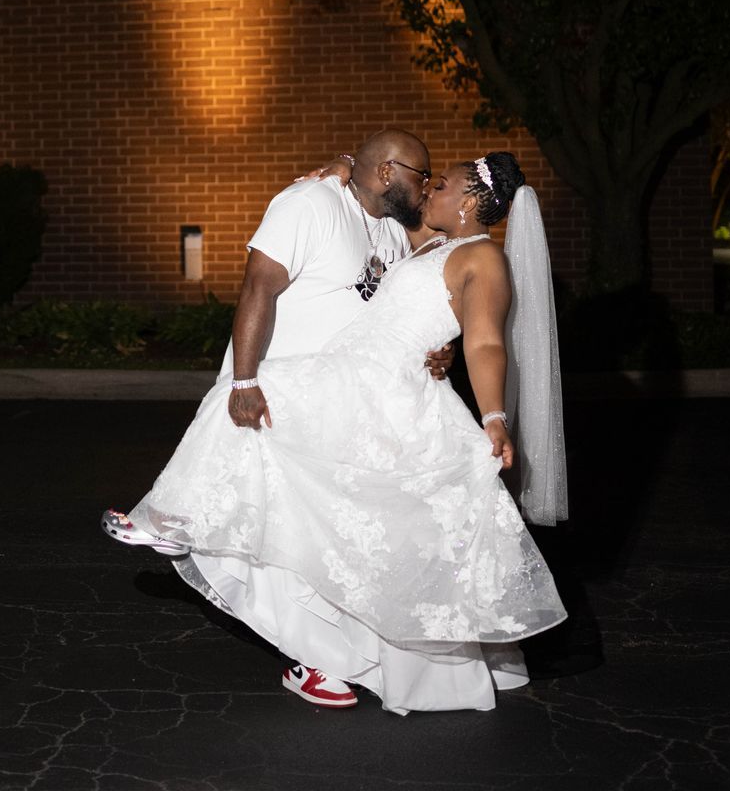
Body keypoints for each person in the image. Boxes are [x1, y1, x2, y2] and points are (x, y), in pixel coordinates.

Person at [103, 151, 568, 714]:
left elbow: (485, 341)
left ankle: (175, 519)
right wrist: (342, 167)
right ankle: (183, 522)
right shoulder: (432, 241)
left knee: (262, 398)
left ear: (469, 202)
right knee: (289, 456)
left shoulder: (484, 259)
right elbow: (386, 199)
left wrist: (493, 416)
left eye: (441, 185)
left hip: (385, 387)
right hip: (357, 373)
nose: (430, 192)